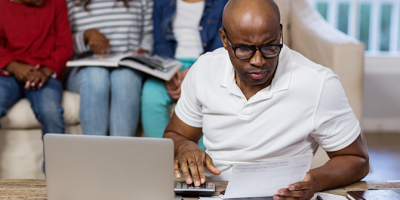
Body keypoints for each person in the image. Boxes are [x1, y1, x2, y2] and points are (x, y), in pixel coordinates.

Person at [163, 0, 370, 199]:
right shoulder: (204, 70)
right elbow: (174, 134)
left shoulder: (318, 83)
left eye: (270, 46)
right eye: (244, 49)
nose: (258, 61)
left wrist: (314, 181)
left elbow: (357, 159)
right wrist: (184, 147)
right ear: (225, 39)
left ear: (280, 33)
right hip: (214, 193)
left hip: (280, 195)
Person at [141, 0, 228, 149]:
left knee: (206, 95)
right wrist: (168, 71)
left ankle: (201, 163)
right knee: (150, 95)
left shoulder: (223, 3)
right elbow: (160, 43)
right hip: (172, 64)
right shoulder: (161, 2)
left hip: (206, 62)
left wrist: (195, 72)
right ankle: (161, 159)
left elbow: (221, 44)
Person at [66, 0, 153, 136]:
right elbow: (63, 43)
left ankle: (120, 153)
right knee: (96, 76)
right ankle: (95, 152)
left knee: (125, 78)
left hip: (128, 67)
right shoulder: (71, 3)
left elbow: (149, 34)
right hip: (84, 70)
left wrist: (144, 51)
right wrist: (86, 36)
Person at [0, 0, 72, 137]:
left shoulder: (57, 3)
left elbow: (65, 45)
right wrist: (13, 66)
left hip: (45, 75)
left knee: (51, 113)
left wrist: (45, 71)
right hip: (8, 74)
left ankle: (54, 159)